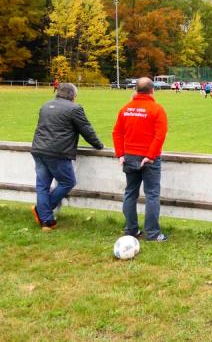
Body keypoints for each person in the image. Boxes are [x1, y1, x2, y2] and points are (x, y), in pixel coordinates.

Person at [31, 83, 104, 231]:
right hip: (57, 152)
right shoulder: (74, 109)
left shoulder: (46, 105)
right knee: (68, 182)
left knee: (42, 186)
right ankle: (42, 212)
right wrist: (99, 145)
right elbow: (86, 130)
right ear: (73, 95)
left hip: (38, 149)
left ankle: (47, 221)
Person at [112, 77, 169, 242]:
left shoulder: (125, 108)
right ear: (152, 90)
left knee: (130, 193)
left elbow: (117, 133)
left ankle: (131, 229)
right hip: (148, 158)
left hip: (129, 156)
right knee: (151, 195)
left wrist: (121, 154)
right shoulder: (157, 109)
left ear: (135, 90)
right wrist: (150, 156)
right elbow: (160, 136)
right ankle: (152, 233)